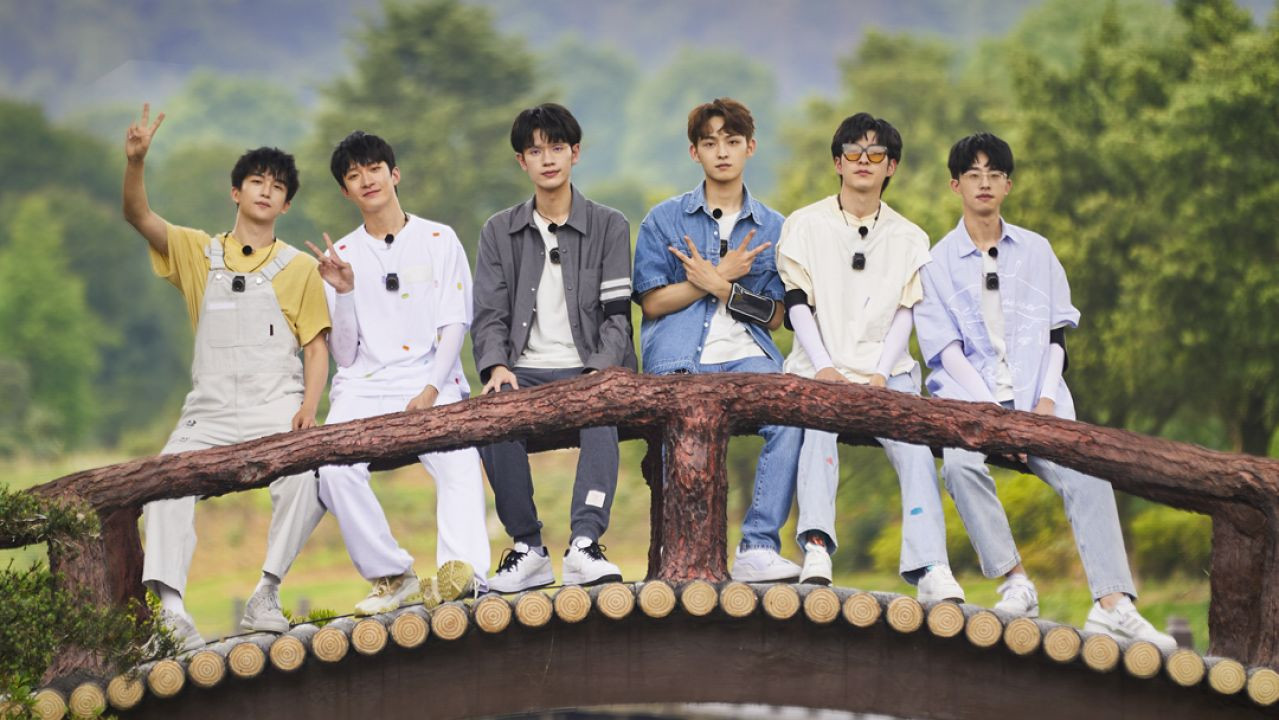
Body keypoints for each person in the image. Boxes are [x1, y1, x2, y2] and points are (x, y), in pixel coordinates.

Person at [912, 131, 1176, 650]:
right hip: (969, 401)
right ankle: (1015, 581)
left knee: (1089, 473)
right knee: (960, 468)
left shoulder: (1038, 251)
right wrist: (992, 412)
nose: (984, 183)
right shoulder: (936, 263)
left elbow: (1057, 337)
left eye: (994, 174)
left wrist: (1045, 403)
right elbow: (945, 351)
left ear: (1008, 185)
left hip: (1040, 397)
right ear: (955, 184)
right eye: (973, 174)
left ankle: (1113, 605)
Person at [122, 104, 330, 649]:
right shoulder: (197, 251)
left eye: (278, 187)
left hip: (275, 406)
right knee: (164, 483)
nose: (266, 191)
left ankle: (267, 591)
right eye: (257, 181)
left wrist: (309, 408)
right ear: (235, 192)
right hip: (207, 412)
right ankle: (172, 611)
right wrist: (136, 162)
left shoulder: (301, 268)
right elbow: (138, 215)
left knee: (311, 476)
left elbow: (316, 347)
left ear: (286, 204)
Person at [778, 113, 964, 601]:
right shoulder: (805, 224)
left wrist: (881, 374)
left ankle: (931, 565)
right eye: (853, 152)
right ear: (837, 162)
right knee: (817, 431)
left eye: (876, 153)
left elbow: (907, 311)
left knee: (915, 446)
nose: (864, 161)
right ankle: (816, 546)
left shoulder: (910, 237)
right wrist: (824, 366)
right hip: (819, 364)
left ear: (891, 166)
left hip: (889, 370)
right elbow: (797, 303)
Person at [306, 130, 489, 615]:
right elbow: (345, 355)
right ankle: (391, 574)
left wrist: (430, 388)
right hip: (365, 383)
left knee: (460, 459)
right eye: (354, 175)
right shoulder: (340, 256)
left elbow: (455, 323)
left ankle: (463, 575)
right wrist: (344, 291)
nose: (367, 180)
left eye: (374, 169)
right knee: (333, 467)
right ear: (345, 191)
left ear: (394, 174)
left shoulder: (438, 238)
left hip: (431, 375)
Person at [632, 98, 803, 582]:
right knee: (679, 430)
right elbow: (651, 302)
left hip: (749, 356)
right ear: (695, 152)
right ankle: (679, 552)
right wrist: (712, 278)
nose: (722, 152)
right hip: (679, 357)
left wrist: (723, 288)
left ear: (750, 147)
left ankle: (758, 545)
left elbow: (775, 317)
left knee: (790, 413)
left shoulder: (774, 226)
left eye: (732, 141)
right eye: (710, 143)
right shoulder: (664, 219)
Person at [471, 103, 635, 591]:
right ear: (521, 161)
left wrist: (599, 370)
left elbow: (618, 317)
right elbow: (489, 315)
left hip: (588, 365)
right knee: (494, 411)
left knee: (601, 403)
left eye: (557, 148)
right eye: (535, 150)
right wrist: (496, 367)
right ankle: (528, 548)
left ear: (575, 153)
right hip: (523, 369)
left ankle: (585, 543)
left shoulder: (609, 225)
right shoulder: (498, 231)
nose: (547, 159)